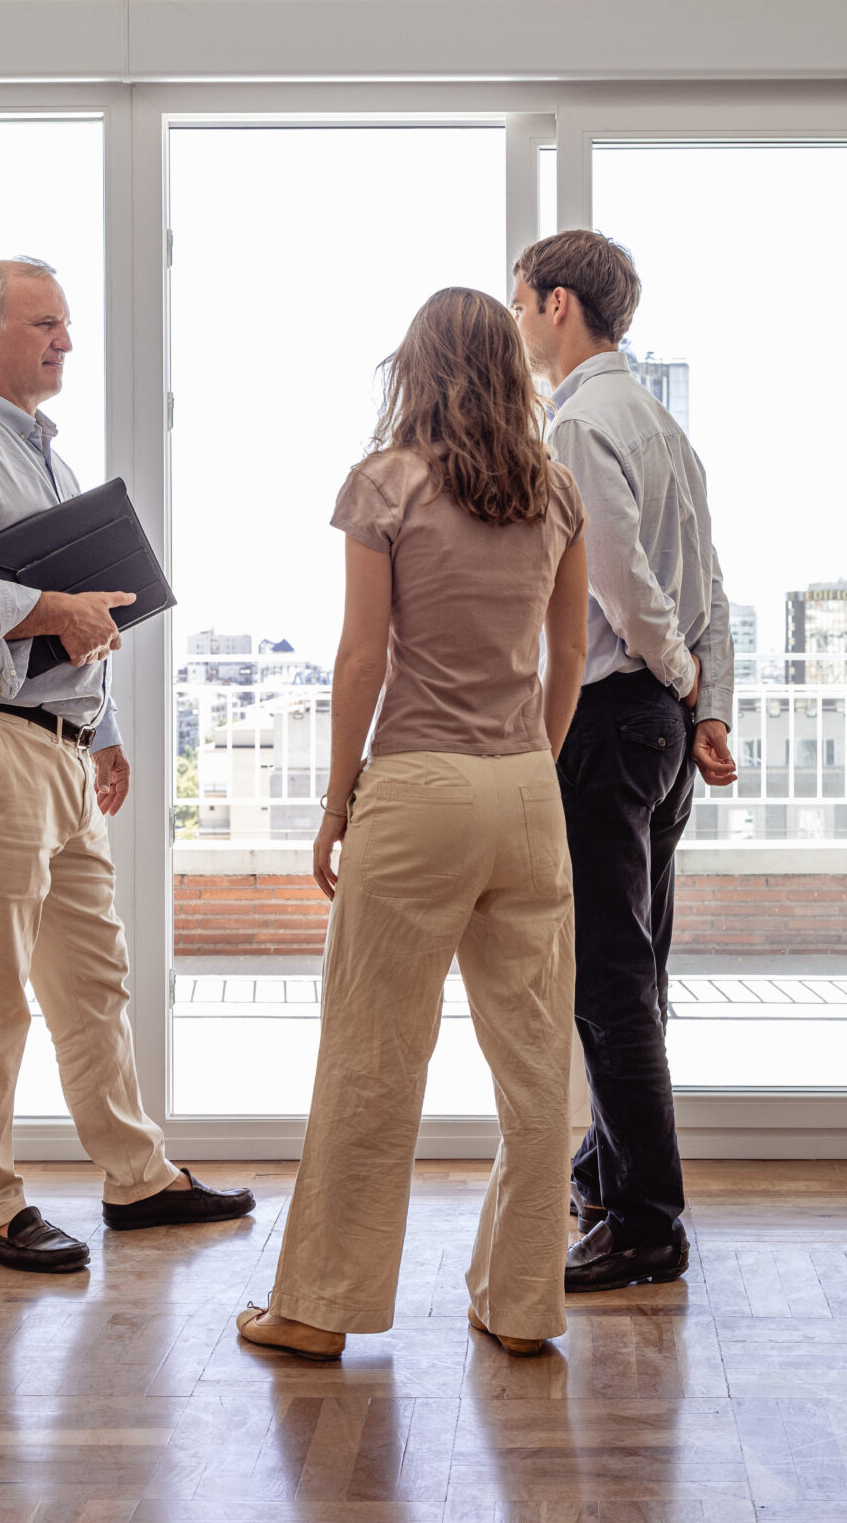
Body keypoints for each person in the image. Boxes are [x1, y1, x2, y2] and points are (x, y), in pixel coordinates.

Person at [234, 287, 592, 1361]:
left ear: (416, 367)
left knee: (374, 1054)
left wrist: (337, 798)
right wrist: (533, 755)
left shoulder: (384, 483)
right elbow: (568, 655)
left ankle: (317, 1308)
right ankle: (521, 1304)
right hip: (527, 790)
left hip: (419, 791)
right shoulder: (556, 489)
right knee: (536, 1069)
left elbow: (362, 657)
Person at [0, 256, 253, 1273]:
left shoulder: (40, 460)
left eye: (66, 326)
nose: (65, 342)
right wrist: (56, 611)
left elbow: (74, 621)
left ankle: (135, 1178)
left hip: (50, 751)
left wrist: (100, 732)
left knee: (93, 978)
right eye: (46, 324)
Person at [510, 230, 738, 1293]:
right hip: (659, 724)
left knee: (604, 970)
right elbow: (714, 588)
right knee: (635, 965)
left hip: (610, 717)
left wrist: (671, 667)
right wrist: (703, 700)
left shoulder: (580, 421)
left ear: (558, 304)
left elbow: (613, 579)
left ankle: (647, 1221)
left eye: (520, 303)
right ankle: (608, 1168)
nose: (517, 325)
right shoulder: (659, 422)